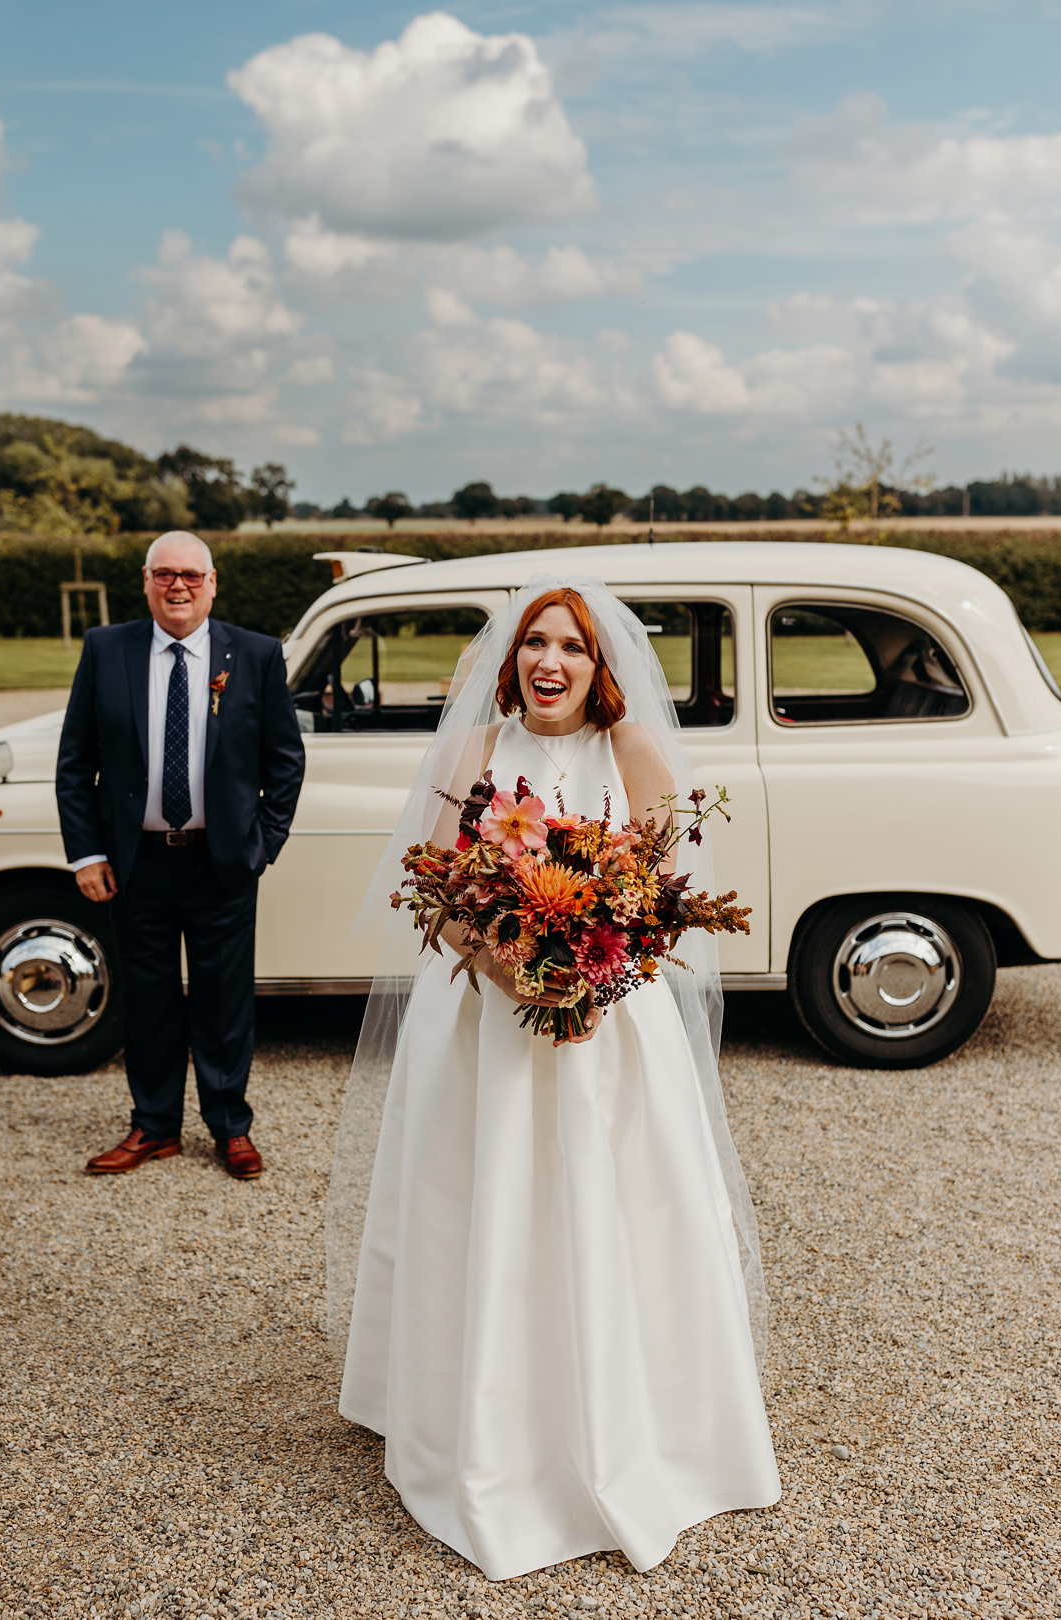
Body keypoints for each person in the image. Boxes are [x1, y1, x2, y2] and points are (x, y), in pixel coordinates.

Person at [326, 579, 780, 1581]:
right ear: (510, 660)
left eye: (571, 648)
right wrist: (506, 962)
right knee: (469, 1201)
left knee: (625, 1205)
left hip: (612, 1035)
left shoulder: (635, 755)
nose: (551, 663)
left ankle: (646, 1418)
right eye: (536, 643)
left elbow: (667, 906)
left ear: (600, 667)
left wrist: (594, 971)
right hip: (484, 1025)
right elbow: (439, 894)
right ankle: (465, 1413)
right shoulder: (475, 755)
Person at [55, 530, 305, 1179]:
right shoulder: (107, 649)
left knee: (225, 1001)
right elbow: (76, 760)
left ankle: (229, 1128)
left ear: (212, 583)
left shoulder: (253, 654)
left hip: (221, 861)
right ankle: (154, 1125)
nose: (178, 586)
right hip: (133, 862)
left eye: (191, 575)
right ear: (146, 581)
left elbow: (284, 761)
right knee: (148, 998)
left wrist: (261, 845)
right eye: (165, 573)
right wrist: (86, 854)